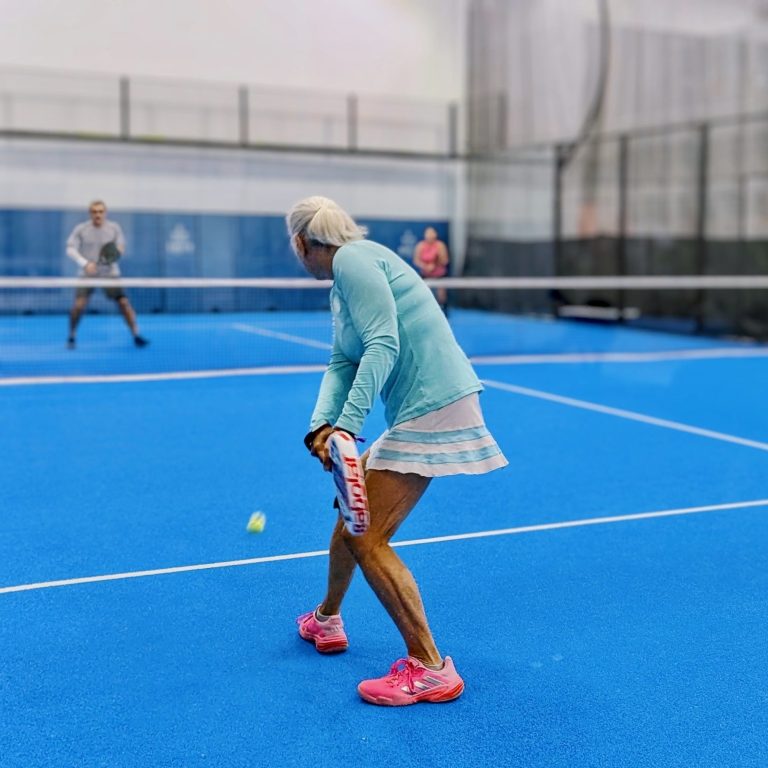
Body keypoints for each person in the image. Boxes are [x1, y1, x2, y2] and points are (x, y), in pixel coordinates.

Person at [287, 196, 507, 707]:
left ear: (301, 242)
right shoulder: (346, 278)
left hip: (434, 402)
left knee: (368, 537)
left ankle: (429, 667)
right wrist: (321, 425)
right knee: (351, 515)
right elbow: (343, 361)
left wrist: (346, 428)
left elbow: (383, 343)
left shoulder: (353, 260)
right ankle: (327, 619)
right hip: (420, 406)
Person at [65, 200, 149, 349]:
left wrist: (112, 257)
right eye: (94, 212)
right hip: (87, 274)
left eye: (100, 211)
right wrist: (85, 263)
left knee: (124, 304)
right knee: (78, 306)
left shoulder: (114, 228)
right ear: (90, 213)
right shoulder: (81, 229)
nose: (98, 214)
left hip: (110, 274)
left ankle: (136, 334)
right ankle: (72, 335)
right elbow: (70, 248)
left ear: (105, 213)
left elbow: (121, 247)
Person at [413, 226, 449, 311]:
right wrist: (425, 266)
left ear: (435, 235)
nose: (430, 235)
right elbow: (416, 260)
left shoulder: (440, 245)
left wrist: (435, 265)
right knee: (424, 294)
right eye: (428, 233)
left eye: (432, 233)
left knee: (441, 296)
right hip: (425, 274)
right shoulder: (420, 246)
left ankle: (444, 312)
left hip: (439, 275)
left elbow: (445, 260)